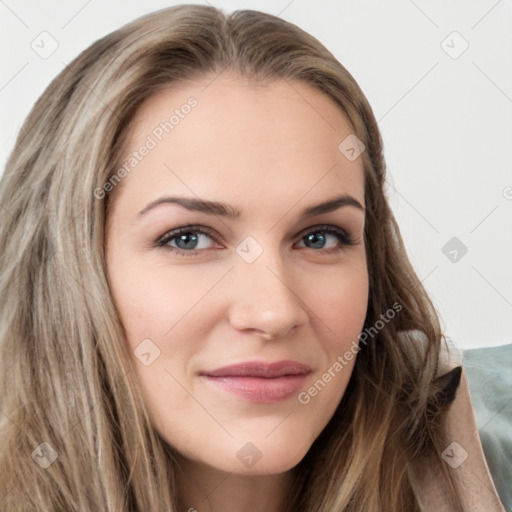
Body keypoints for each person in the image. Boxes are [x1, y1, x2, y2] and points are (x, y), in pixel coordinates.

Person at [0, 4, 505, 511]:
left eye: (319, 238)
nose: (274, 312)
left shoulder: (488, 440)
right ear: (62, 271)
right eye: (189, 239)